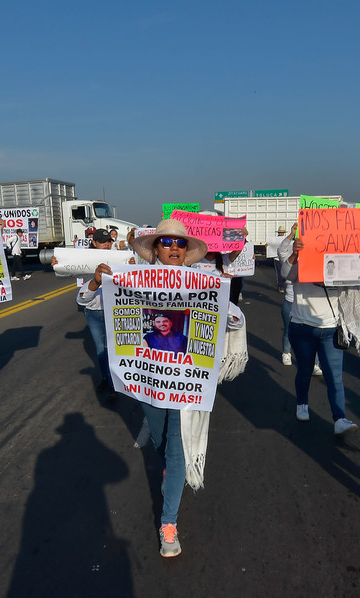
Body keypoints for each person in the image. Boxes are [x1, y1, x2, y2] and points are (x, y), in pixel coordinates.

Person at [86, 218, 243, 558]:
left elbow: (236, 321)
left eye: (180, 243)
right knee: (160, 442)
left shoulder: (204, 281)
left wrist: (224, 299)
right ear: (155, 248)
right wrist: (96, 282)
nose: (174, 248)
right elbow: (88, 301)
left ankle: (168, 522)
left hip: (188, 384)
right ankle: (171, 471)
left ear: (187, 251)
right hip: (150, 381)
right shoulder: (133, 279)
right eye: (167, 242)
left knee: (177, 450)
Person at [280, 231, 360, 433]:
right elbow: (286, 274)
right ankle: (302, 404)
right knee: (304, 371)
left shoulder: (341, 262)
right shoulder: (302, 260)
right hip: (302, 327)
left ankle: (340, 418)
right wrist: (295, 254)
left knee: (334, 377)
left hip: (331, 329)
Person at [68, 228, 120, 398]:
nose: (106, 244)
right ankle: (106, 378)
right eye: (102, 241)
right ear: (94, 243)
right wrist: (58, 263)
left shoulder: (120, 258)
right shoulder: (85, 260)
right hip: (93, 312)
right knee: (100, 348)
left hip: (114, 311)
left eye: (108, 241)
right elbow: (69, 272)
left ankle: (116, 380)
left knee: (114, 348)